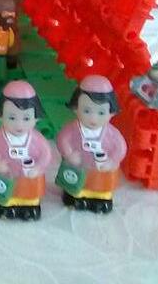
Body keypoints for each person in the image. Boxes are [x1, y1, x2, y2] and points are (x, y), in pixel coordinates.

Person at [0, 81, 52, 221]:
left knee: (30, 192)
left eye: (26, 118)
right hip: (7, 174)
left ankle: (30, 206)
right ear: (0, 116)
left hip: (29, 176)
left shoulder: (36, 139)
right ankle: (5, 205)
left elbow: (46, 154)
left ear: (36, 118)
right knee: (5, 191)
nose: (19, 125)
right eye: (12, 118)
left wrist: (39, 167)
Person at [56, 75, 127, 214]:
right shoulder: (72, 129)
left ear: (111, 113)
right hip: (79, 167)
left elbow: (120, 147)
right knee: (76, 182)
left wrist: (112, 160)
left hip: (101, 169)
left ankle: (101, 199)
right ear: (76, 108)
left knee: (101, 184)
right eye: (87, 111)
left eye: (101, 112)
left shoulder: (111, 134)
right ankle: (75, 196)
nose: (93, 118)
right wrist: (69, 154)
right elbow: (62, 139)